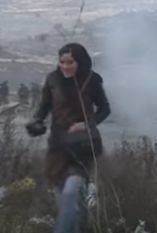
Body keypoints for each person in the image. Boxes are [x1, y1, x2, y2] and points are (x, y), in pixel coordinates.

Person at [25, 43, 111, 233]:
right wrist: (37, 122)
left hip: (82, 148)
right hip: (57, 149)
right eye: (62, 62)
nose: (65, 66)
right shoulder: (53, 80)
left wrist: (87, 124)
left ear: (79, 62)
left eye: (70, 62)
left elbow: (105, 109)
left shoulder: (91, 81)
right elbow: (44, 107)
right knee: (68, 204)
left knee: (71, 194)